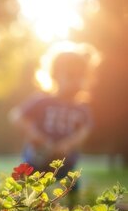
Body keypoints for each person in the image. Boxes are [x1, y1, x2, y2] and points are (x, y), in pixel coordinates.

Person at [10, 42, 98, 179]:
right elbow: (16, 116)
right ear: (55, 74)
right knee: (27, 183)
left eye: (80, 76)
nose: (75, 80)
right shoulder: (42, 101)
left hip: (64, 160)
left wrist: (68, 144)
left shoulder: (81, 108)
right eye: (70, 75)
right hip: (38, 156)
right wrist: (35, 135)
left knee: (69, 182)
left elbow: (85, 130)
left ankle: (71, 196)